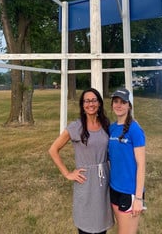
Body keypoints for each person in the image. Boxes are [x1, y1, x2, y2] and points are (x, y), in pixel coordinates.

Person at [48, 88, 114, 234]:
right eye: (87, 101)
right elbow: (53, 150)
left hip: (103, 181)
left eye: (94, 100)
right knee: (85, 226)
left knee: (101, 226)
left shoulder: (105, 124)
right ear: (82, 105)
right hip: (85, 181)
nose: (91, 104)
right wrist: (67, 173)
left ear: (99, 103)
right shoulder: (76, 126)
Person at [108, 88, 146, 234]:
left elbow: (141, 165)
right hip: (114, 189)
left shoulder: (135, 130)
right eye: (116, 101)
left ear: (129, 105)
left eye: (123, 102)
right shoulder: (111, 129)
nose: (119, 105)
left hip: (129, 192)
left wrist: (138, 198)